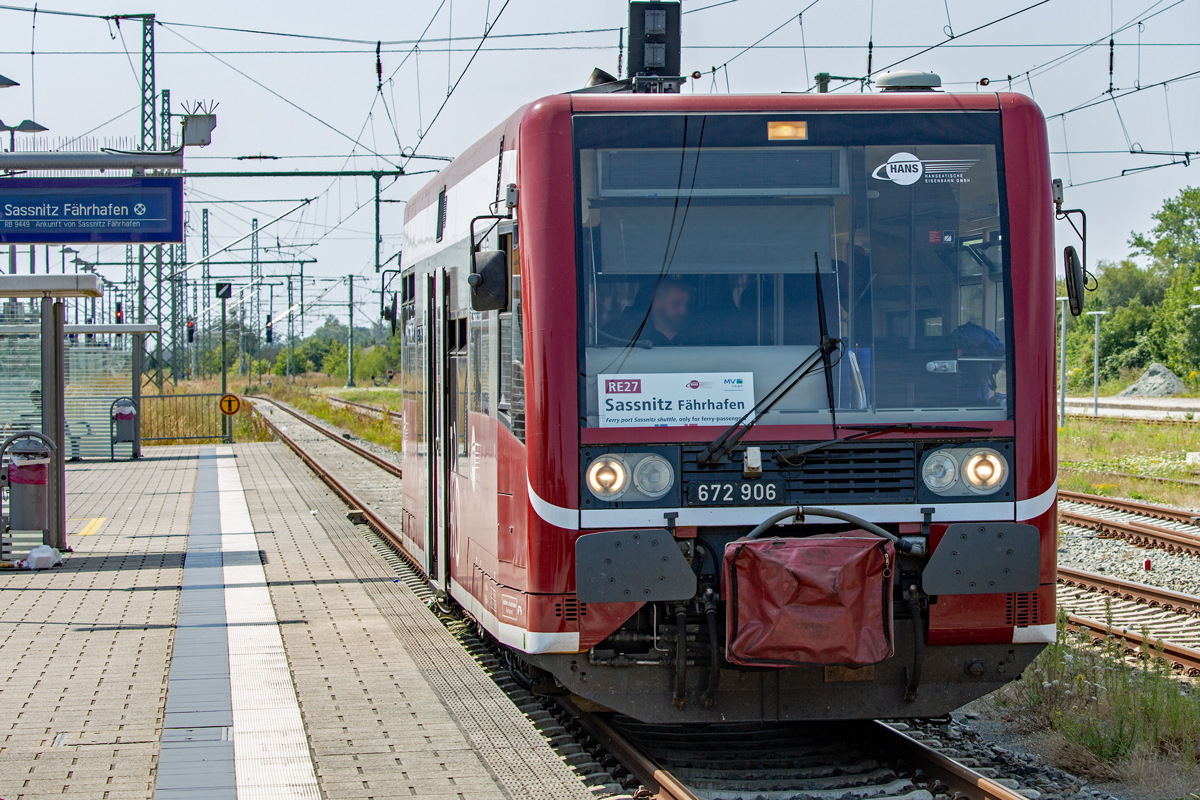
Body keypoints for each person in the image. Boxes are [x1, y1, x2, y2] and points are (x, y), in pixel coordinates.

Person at [640, 279, 692, 346]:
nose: (683, 310)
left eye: (686, 304)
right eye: (676, 303)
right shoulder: (638, 336)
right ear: (657, 303)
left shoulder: (698, 335)